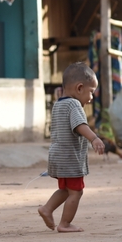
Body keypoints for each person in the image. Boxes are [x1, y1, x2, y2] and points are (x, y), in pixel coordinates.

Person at [38, 62, 106, 232]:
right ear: (79, 88)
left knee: (65, 189)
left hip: (58, 156)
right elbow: (79, 125)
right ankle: (65, 224)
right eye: (91, 92)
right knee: (76, 192)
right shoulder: (74, 105)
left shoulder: (59, 104)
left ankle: (46, 209)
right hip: (70, 158)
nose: (91, 97)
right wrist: (94, 138)